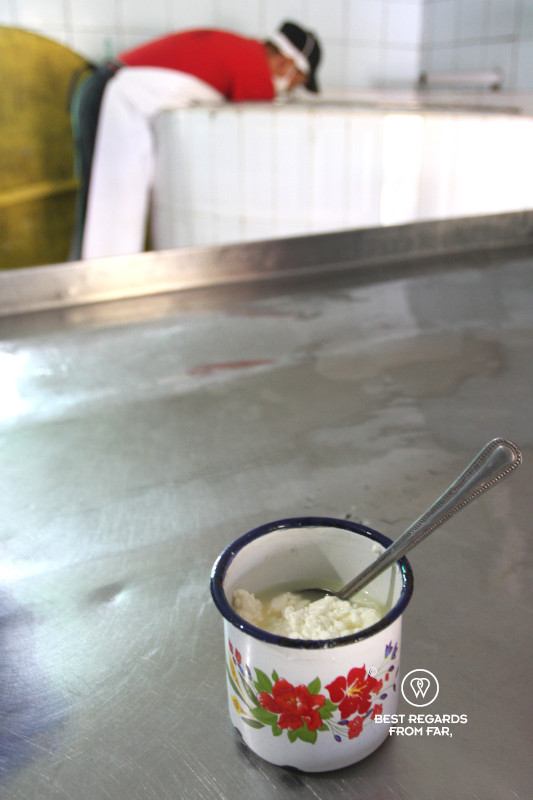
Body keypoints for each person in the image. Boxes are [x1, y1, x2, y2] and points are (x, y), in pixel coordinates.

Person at [72, 21, 322, 260]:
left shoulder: (243, 51)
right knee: (105, 210)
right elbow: (258, 132)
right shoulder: (254, 68)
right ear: (285, 64)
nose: (288, 90)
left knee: (108, 213)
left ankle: (102, 284)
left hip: (109, 92)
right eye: (295, 84)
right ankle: (97, 290)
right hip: (112, 97)